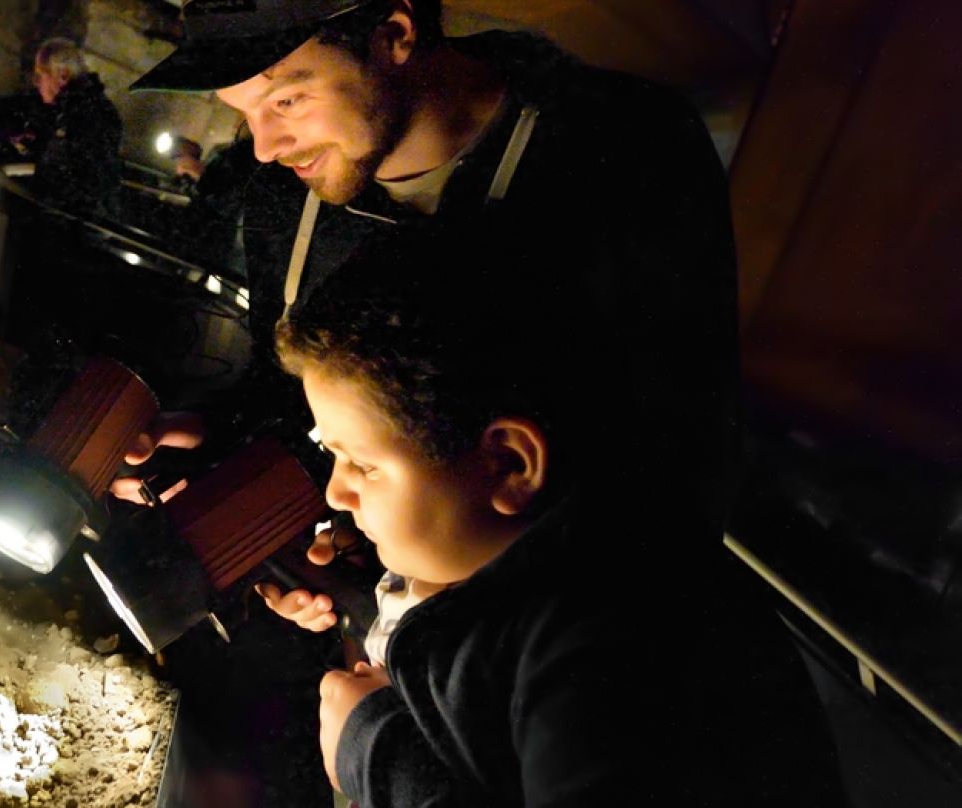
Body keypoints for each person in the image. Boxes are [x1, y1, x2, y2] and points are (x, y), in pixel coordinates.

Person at [124, 0, 741, 634]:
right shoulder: (285, 199)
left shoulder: (620, 144)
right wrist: (227, 449)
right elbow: (299, 397)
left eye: (285, 102)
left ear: (395, 33)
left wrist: (463, 645)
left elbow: (681, 448)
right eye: (243, 114)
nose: (264, 147)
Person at [278, 227, 846, 807]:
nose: (335, 492)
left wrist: (373, 749)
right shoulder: (519, 560)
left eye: (364, 465)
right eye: (334, 454)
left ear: (508, 463)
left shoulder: (614, 648)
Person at [27, 38, 123, 214]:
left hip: (71, 219)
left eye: (40, 75)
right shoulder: (83, 107)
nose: (37, 83)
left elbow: (72, 173)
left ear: (62, 75)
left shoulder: (83, 113)